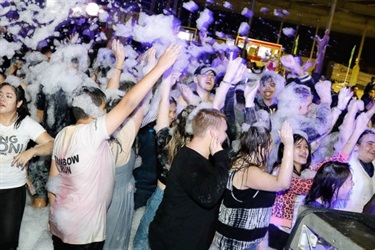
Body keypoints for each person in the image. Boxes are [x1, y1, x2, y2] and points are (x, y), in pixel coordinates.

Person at [47, 43, 180, 249]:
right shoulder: (92, 135)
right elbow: (127, 103)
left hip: (61, 222)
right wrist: (159, 68)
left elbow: (53, 182)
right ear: (95, 112)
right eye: (103, 109)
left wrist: (119, 65)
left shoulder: (63, 134)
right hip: (84, 234)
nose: (106, 111)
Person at [149, 108, 231, 250]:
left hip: (183, 239)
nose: (226, 136)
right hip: (174, 242)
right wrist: (222, 159)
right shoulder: (190, 162)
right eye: (224, 131)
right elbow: (208, 197)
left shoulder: (196, 157)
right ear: (213, 133)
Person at [210, 121, 294, 250]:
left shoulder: (239, 163)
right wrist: (289, 145)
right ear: (261, 147)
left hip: (234, 241)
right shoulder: (249, 171)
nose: (271, 150)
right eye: (270, 144)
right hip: (236, 245)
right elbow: (282, 183)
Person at [0, 82, 54, 250]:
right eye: (0, 95)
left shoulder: (25, 124)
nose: (2, 98)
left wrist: (31, 152)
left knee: (8, 241)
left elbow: (51, 144)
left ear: (18, 103)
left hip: (12, 188)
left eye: (8, 96)